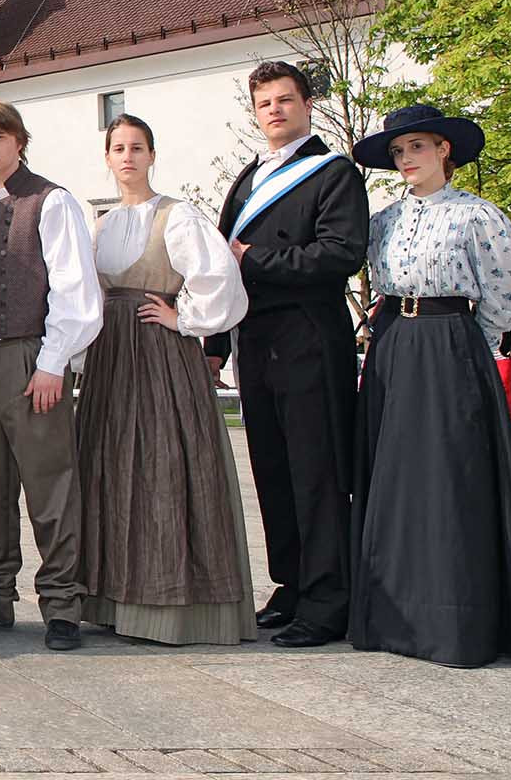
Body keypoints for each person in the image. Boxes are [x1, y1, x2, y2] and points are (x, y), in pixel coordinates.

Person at [348, 105, 511, 667]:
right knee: (396, 479)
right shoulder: (383, 222)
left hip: (450, 344)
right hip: (394, 344)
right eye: (397, 152)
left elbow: (499, 300)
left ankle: (456, 620)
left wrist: (477, 355)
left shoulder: (480, 218)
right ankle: (396, 618)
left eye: (415, 147)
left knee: (450, 476)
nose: (404, 160)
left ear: (444, 150)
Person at [203, 61, 368, 648]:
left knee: (316, 471)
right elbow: (223, 266)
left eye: (285, 100)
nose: (275, 110)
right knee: (272, 470)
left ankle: (330, 598)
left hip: (308, 336)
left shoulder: (334, 173)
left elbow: (341, 254)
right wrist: (215, 345)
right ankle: (293, 583)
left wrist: (258, 260)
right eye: (265, 103)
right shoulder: (247, 177)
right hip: (256, 338)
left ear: (307, 106)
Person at [76, 115, 256, 646]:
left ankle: (173, 605)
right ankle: (113, 600)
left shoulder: (177, 217)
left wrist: (185, 320)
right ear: (107, 159)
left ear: (152, 156)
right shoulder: (103, 225)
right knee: (110, 468)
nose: (127, 156)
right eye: (118, 148)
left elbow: (220, 280)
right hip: (112, 360)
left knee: (162, 467)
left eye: (137, 147)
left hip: (158, 355)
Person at [0, 101, 103, 651]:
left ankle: (62, 602)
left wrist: (52, 363)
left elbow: (75, 290)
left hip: (31, 357)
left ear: (19, 141)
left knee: (50, 485)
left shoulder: (51, 202)